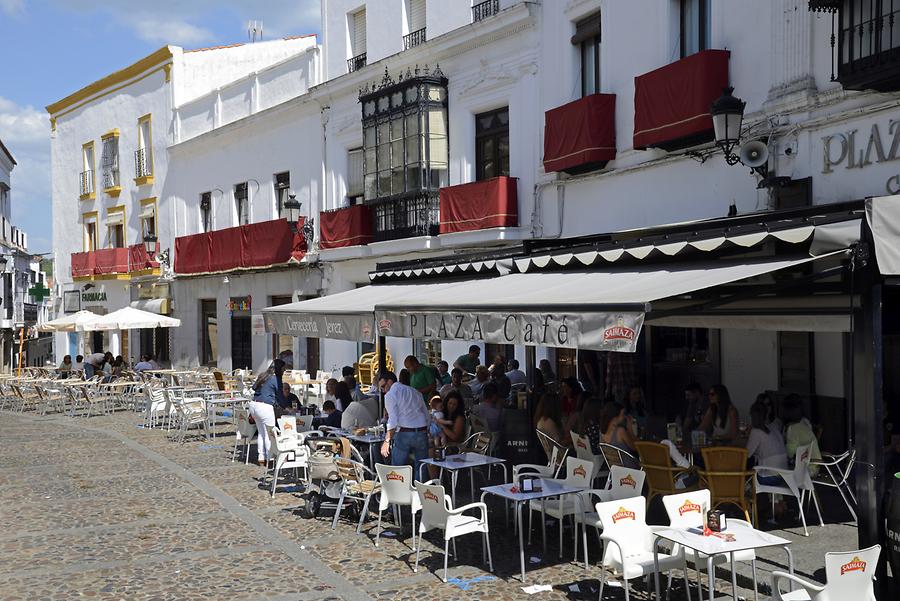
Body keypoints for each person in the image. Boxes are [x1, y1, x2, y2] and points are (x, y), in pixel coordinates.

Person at [378, 370, 430, 471]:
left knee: (397, 469)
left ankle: (398, 487)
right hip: (421, 430)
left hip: (405, 432)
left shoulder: (390, 394)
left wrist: (387, 441)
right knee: (421, 467)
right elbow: (426, 413)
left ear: (389, 382)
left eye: (383, 386)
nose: (383, 390)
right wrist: (427, 429)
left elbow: (393, 420)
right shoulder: (415, 391)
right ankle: (420, 486)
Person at [249, 359, 286, 466]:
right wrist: (286, 407)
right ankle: (270, 459)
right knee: (270, 434)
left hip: (254, 405)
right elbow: (280, 397)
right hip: (265, 407)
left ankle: (261, 458)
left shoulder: (263, 375)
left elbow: (254, 387)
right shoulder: (275, 379)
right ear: (279, 368)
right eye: (283, 369)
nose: (284, 371)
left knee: (262, 433)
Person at [746, 401, 788, 471]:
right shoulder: (774, 428)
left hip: (769, 475)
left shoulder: (756, 431)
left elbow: (746, 454)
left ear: (752, 416)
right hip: (784, 474)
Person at [782, 394, 822, 468]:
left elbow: (790, 453)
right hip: (814, 465)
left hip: (804, 469)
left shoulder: (792, 428)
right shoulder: (804, 423)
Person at [600, 401, 640, 465]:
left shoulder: (601, 432)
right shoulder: (620, 431)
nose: (624, 417)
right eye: (622, 414)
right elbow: (635, 448)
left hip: (615, 468)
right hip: (629, 469)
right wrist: (630, 429)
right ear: (615, 418)